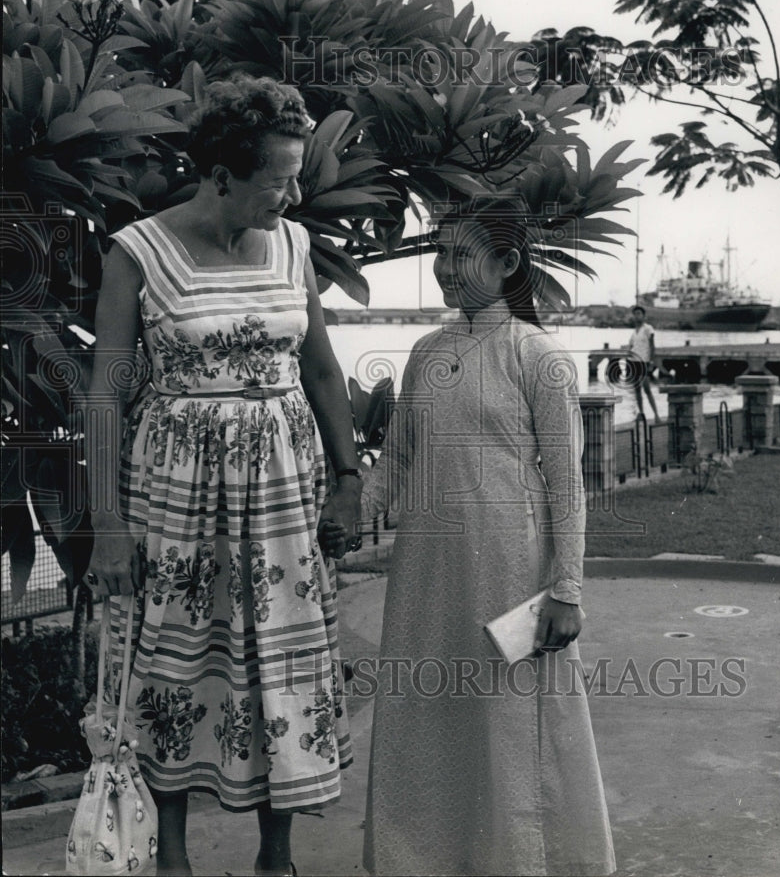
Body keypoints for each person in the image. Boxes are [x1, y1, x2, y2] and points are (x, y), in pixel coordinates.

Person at [83, 74, 363, 877]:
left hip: (281, 489)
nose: (292, 190)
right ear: (222, 174)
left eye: (294, 172)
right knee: (173, 660)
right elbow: (105, 390)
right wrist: (107, 525)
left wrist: (347, 478)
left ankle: (276, 858)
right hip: (174, 488)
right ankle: (170, 857)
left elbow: (320, 370)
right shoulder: (137, 251)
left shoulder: (292, 244)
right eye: (277, 177)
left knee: (280, 660)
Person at [326, 200, 615, 876]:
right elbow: (397, 460)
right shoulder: (427, 352)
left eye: (461, 254)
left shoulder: (536, 357)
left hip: (512, 571)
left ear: (507, 262)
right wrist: (348, 518)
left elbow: (567, 485)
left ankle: (516, 861)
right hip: (427, 570)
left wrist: (566, 591)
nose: (444, 269)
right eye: (441, 253)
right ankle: (421, 860)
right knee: (427, 714)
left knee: (509, 723)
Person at [627, 305, 660, 422]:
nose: (637, 316)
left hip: (644, 362)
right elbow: (631, 346)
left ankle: (656, 415)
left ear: (644, 316)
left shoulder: (648, 329)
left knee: (647, 389)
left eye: (639, 314)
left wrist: (651, 361)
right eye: (635, 314)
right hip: (634, 362)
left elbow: (652, 346)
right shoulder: (633, 332)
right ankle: (641, 413)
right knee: (637, 389)